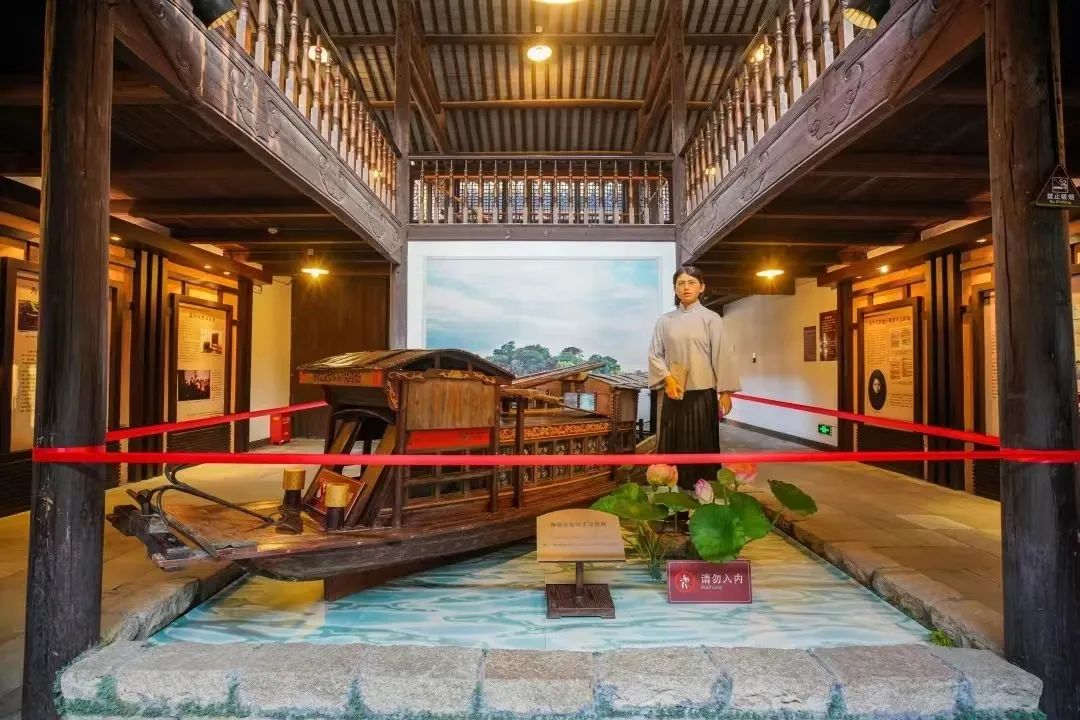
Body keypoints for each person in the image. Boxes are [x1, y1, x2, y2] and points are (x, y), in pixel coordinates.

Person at [648, 265, 740, 491]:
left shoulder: (711, 319)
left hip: (702, 396)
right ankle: (670, 499)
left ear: (702, 287)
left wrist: (725, 392)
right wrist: (668, 379)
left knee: (701, 446)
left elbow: (721, 355)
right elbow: (655, 354)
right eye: (681, 283)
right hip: (674, 394)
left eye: (691, 282)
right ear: (675, 289)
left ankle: (703, 497)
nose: (686, 287)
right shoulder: (665, 320)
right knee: (672, 447)